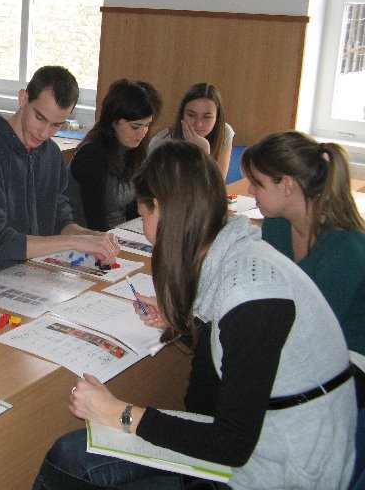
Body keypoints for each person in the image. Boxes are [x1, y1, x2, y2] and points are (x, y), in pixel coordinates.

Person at [33, 141, 356, 490]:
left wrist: (119, 413)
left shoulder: (251, 293)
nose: (146, 230)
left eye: (144, 215)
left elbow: (231, 445)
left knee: (73, 461)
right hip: (261, 441)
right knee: (71, 455)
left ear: (162, 209)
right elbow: (227, 365)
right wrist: (185, 324)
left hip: (285, 469)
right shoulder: (231, 254)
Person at [0, 65, 120, 278]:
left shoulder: (51, 154)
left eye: (56, 125)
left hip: (31, 273)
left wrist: (93, 238)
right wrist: (72, 241)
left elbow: (59, 220)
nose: (45, 133)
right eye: (40, 118)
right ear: (23, 98)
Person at [241, 131, 365, 384]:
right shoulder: (276, 225)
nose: (250, 189)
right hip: (301, 341)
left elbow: (314, 331)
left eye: (257, 182)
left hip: (348, 357)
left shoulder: (347, 249)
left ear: (287, 185)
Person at [66, 79, 161, 231]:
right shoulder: (92, 155)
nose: (142, 133)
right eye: (135, 126)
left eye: (147, 125)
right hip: (85, 236)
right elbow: (96, 224)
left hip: (117, 233)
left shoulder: (133, 149)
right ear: (113, 121)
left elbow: (134, 208)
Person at [148, 82, 233, 179]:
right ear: (182, 114)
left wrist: (205, 153)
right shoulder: (161, 143)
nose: (198, 124)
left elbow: (218, 184)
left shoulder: (225, 132)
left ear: (217, 118)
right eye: (191, 115)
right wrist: (202, 153)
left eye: (207, 117)